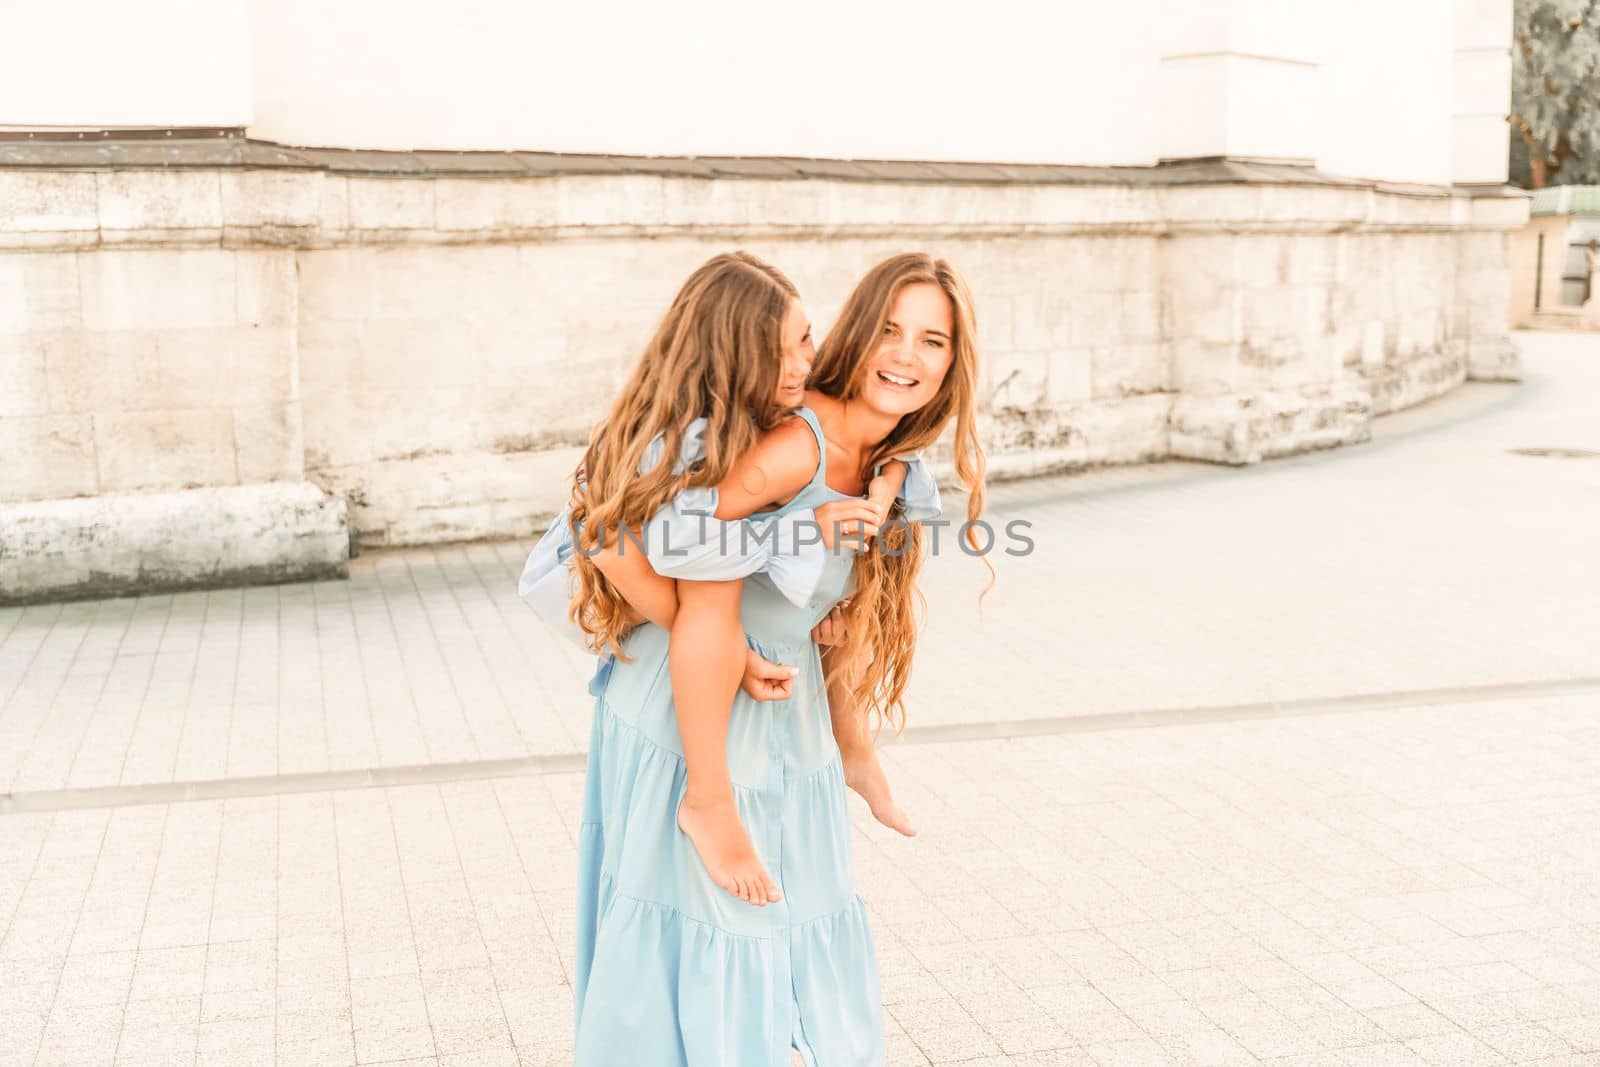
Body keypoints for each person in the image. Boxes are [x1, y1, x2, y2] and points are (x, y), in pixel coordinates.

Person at [524, 251, 986, 1065]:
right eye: (888, 330)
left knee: (794, 930)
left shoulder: (884, 458)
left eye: (932, 341)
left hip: (784, 719)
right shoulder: (791, 444)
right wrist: (786, 559)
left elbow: (830, 616)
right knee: (709, 937)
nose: (906, 355)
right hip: (697, 719)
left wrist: (854, 745)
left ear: (955, 364)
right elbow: (653, 537)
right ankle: (707, 809)